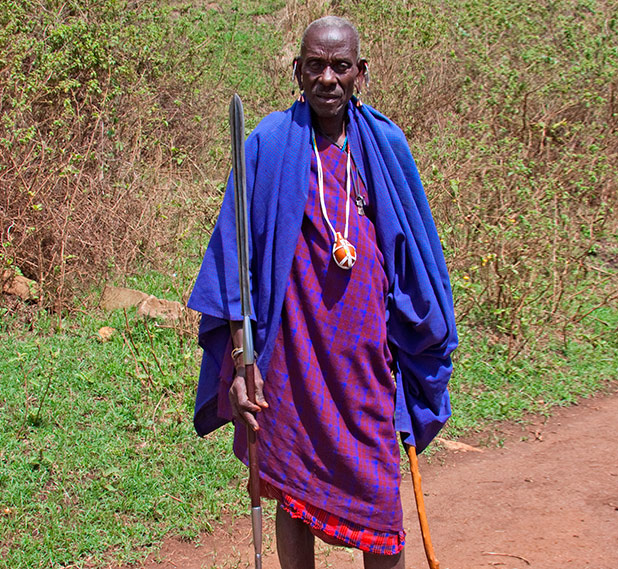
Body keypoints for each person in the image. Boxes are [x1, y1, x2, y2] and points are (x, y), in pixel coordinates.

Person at [187, 16, 457, 569]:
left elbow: (416, 256)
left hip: (367, 365)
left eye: (340, 66)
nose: (327, 78)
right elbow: (237, 267)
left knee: (382, 509)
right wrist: (241, 364)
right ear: (297, 72)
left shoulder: (383, 145)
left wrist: (419, 340)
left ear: (361, 71)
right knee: (291, 489)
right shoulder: (267, 145)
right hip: (293, 360)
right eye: (315, 65)